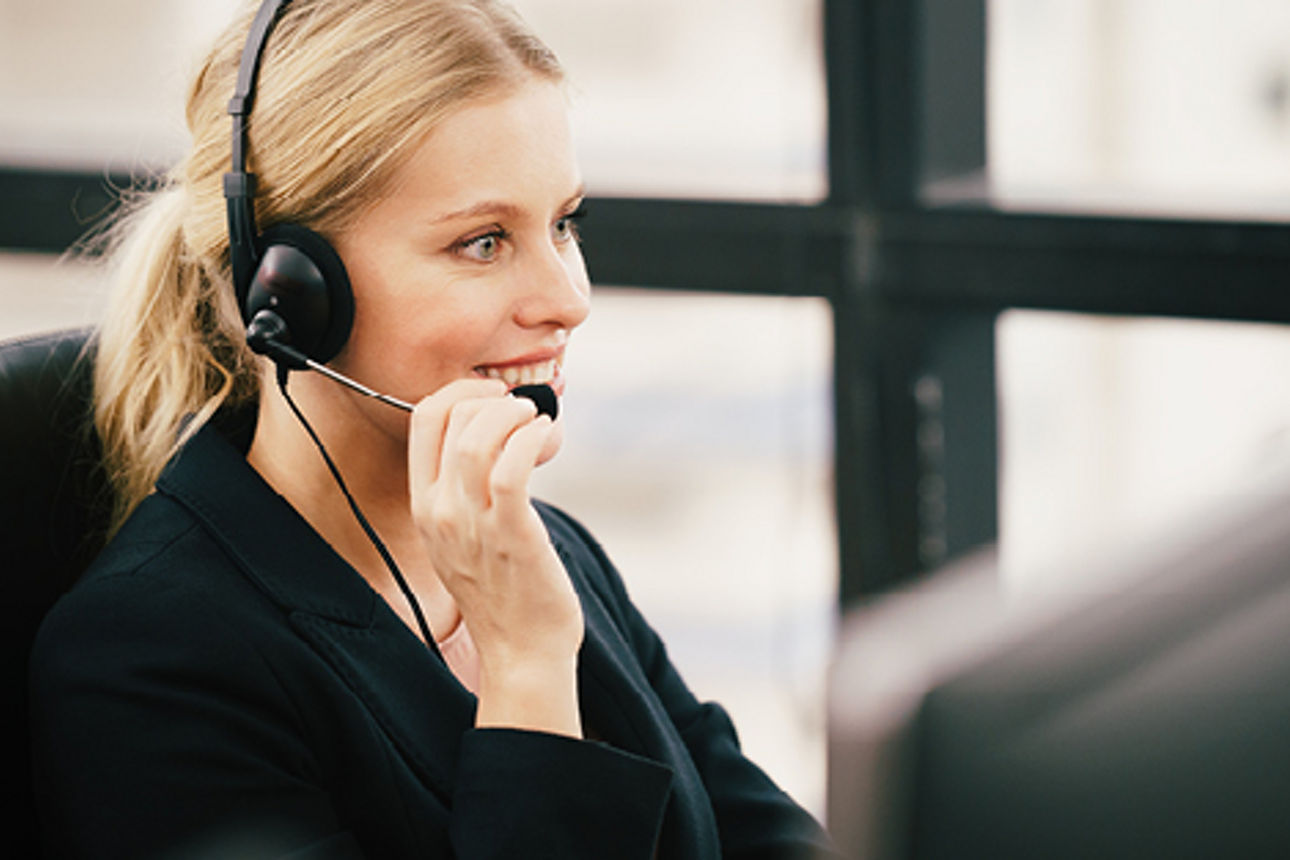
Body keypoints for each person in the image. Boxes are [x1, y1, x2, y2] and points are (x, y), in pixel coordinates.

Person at [27, 1, 839, 858]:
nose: (569, 298)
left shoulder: (541, 552)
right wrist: (526, 670)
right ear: (292, 291)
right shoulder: (148, 664)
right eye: (484, 243)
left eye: (562, 224)